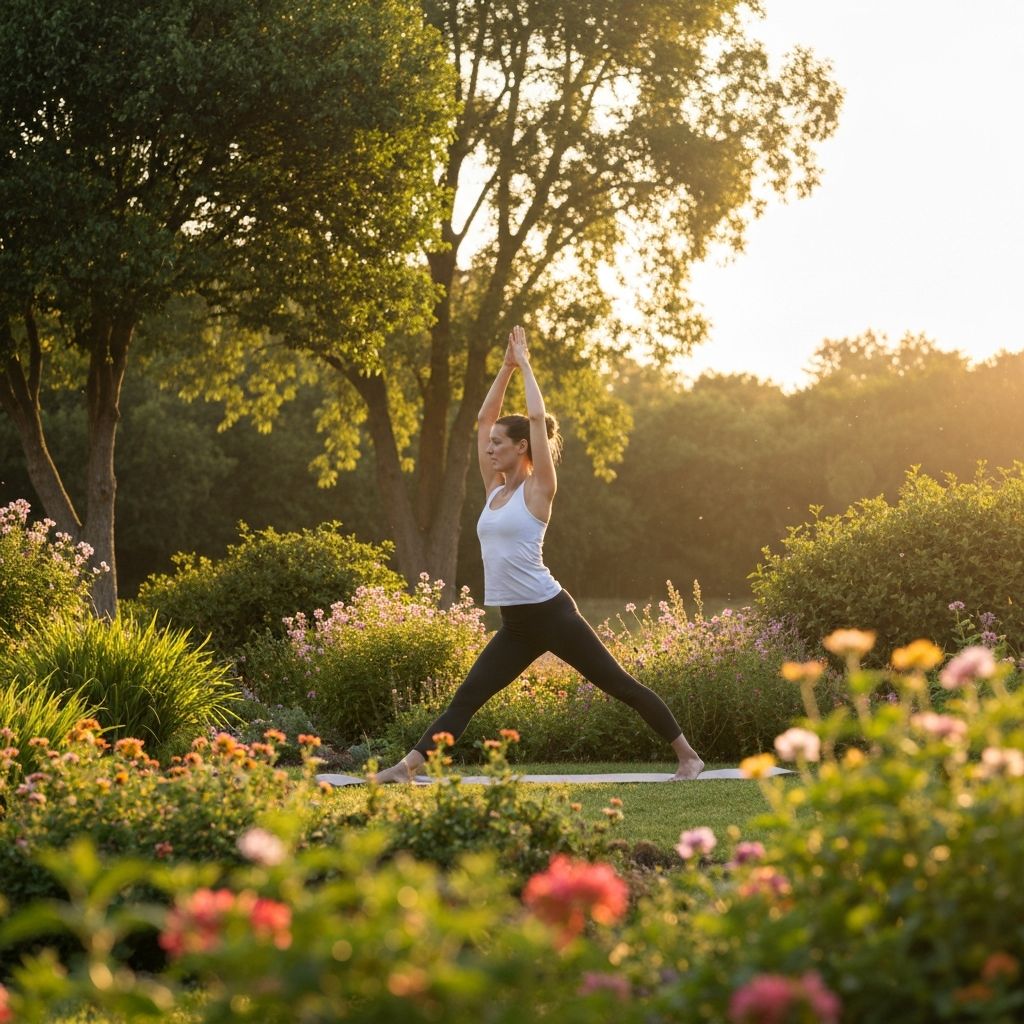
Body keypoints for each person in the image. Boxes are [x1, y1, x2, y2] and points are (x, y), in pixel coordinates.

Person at [372, 325, 704, 783]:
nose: (489, 450)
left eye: (499, 446)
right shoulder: (494, 491)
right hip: (516, 625)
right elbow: (483, 420)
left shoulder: (538, 489)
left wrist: (526, 365)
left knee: (619, 684)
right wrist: (505, 368)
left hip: (553, 614)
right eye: (489, 448)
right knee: (467, 698)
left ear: (523, 447)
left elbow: (535, 415)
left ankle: (688, 756)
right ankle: (408, 768)